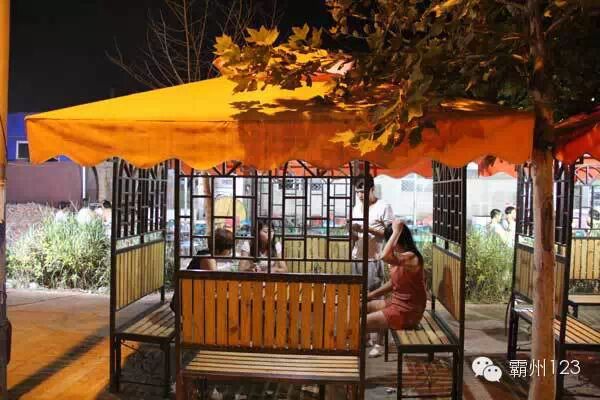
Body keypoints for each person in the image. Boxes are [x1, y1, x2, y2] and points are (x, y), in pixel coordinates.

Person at [350, 173, 393, 357]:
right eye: (357, 192)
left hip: (374, 259)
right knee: (359, 299)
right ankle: (366, 337)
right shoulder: (356, 207)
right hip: (357, 257)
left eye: (363, 191)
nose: (360, 195)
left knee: (377, 301)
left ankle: (379, 343)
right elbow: (356, 235)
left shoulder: (384, 206)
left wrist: (366, 228)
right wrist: (352, 231)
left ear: (372, 189)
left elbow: (391, 234)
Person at [366, 219, 426, 333]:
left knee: (358, 324)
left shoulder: (411, 257)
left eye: (388, 240)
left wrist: (396, 231)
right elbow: (394, 282)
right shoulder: (401, 256)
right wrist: (371, 295)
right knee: (362, 307)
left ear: (397, 239)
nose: (387, 243)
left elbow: (384, 256)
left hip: (407, 312)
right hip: (397, 304)